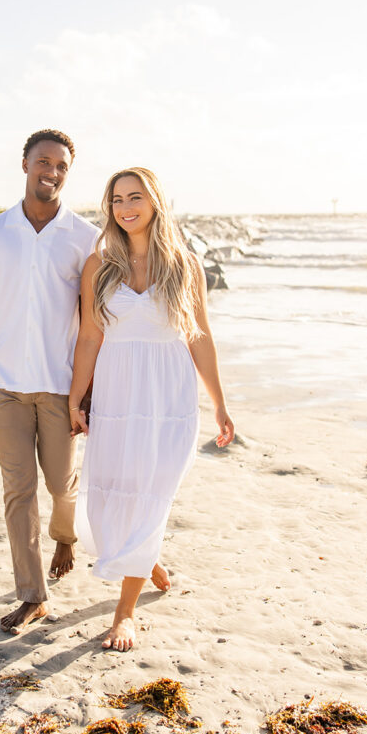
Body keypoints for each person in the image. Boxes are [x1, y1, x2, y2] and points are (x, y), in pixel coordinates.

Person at [68, 167, 234, 651]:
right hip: (119, 397)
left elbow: (199, 339)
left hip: (170, 401)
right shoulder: (100, 265)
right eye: (116, 199)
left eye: (134, 197)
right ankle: (148, 556)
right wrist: (77, 397)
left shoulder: (185, 265)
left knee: (151, 494)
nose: (125, 207)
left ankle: (124, 614)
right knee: (113, 496)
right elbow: (89, 337)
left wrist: (220, 405)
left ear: (155, 201)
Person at [0, 130, 98, 635]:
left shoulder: (85, 238)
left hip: (62, 386)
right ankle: (33, 596)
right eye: (44, 162)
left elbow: (94, 318)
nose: (52, 172)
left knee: (62, 485)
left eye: (61, 165)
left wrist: (91, 390)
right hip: (8, 387)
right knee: (18, 491)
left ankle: (66, 535)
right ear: (24, 164)